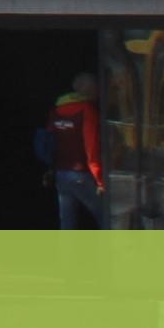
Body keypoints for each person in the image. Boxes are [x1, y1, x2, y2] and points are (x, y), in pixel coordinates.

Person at [44, 73, 108, 228]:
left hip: (61, 174)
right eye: (96, 89)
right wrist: (100, 180)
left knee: (67, 224)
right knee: (105, 216)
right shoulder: (87, 110)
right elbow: (91, 148)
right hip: (81, 175)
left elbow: (49, 143)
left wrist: (50, 169)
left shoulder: (56, 110)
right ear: (90, 90)